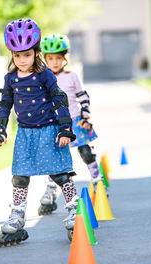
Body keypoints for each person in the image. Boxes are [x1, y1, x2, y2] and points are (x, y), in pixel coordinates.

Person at [0, 19, 79, 246]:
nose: (22, 60)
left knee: (60, 174)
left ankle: (74, 210)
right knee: (20, 177)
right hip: (25, 134)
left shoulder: (45, 74)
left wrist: (65, 128)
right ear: (12, 54)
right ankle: (17, 216)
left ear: (36, 53)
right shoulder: (10, 78)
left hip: (50, 131)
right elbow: (4, 105)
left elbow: (59, 98)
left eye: (27, 55)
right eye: (17, 55)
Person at [38, 33, 106, 215]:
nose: (54, 62)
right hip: (54, 124)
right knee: (55, 159)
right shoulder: (43, 78)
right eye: (50, 58)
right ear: (45, 59)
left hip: (75, 120)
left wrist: (85, 117)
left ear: (64, 58)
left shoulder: (72, 76)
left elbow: (82, 96)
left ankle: (97, 181)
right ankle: (51, 191)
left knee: (85, 152)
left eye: (58, 58)